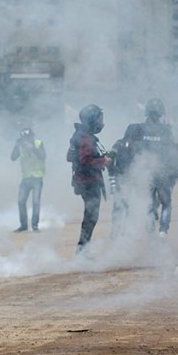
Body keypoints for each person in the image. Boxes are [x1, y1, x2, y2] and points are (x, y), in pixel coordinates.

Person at [121, 98, 178, 237]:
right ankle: (163, 231)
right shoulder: (167, 130)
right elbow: (174, 152)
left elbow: (127, 150)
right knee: (166, 203)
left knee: (150, 204)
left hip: (145, 173)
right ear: (161, 113)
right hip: (162, 173)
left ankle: (151, 232)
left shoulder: (136, 129)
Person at [67, 104, 113, 254]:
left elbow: (70, 156)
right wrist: (103, 162)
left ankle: (83, 249)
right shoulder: (85, 138)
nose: (101, 122)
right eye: (99, 118)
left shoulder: (83, 136)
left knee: (91, 216)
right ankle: (82, 250)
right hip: (88, 182)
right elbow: (84, 160)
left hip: (85, 181)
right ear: (92, 120)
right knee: (91, 217)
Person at [11, 127, 46, 232]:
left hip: (37, 178)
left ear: (32, 137)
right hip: (25, 178)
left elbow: (43, 156)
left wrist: (33, 149)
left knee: (35, 202)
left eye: (28, 138)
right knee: (21, 201)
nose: (26, 140)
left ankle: (35, 226)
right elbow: (13, 157)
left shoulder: (38, 144)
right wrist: (16, 146)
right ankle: (24, 225)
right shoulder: (20, 146)